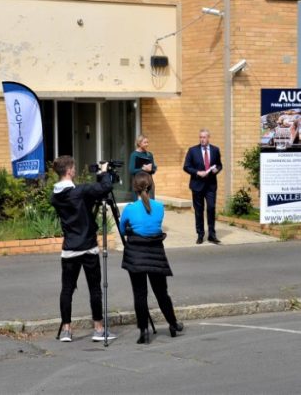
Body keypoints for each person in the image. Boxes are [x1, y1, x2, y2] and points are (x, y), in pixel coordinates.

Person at [48, 155, 116, 343]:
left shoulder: (55, 197)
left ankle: (66, 330)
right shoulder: (80, 191)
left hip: (69, 248)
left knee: (67, 289)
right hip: (87, 247)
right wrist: (103, 173)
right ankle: (98, 328)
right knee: (95, 288)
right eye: (74, 168)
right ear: (69, 170)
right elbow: (105, 188)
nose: (76, 171)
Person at [119, 171, 184, 344]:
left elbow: (123, 230)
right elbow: (154, 226)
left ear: (134, 188)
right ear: (151, 186)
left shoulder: (129, 209)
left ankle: (143, 331)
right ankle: (173, 323)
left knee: (140, 294)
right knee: (162, 293)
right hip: (156, 254)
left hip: (136, 255)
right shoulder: (160, 207)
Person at [183, 129, 223, 244]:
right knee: (199, 211)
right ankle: (200, 234)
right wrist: (197, 172)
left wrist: (217, 170)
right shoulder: (192, 150)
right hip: (197, 185)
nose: (202, 139)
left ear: (208, 138)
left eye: (204, 137)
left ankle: (212, 234)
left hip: (211, 185)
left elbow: (219, 165)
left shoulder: (215, 150)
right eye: (200, 137)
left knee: (211, 208)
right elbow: (186, 166)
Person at [128, 134, 158, 200]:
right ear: (139, 143)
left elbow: (153, 169)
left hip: (149, 182)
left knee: (151, 202)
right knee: (139, 203)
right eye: (145, 142)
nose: (147, 144)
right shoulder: (134, 155)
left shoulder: (149, 154)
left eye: (147, 142)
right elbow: (131, 170)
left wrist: (151, 169)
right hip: (138, 182)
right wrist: (143, 169)